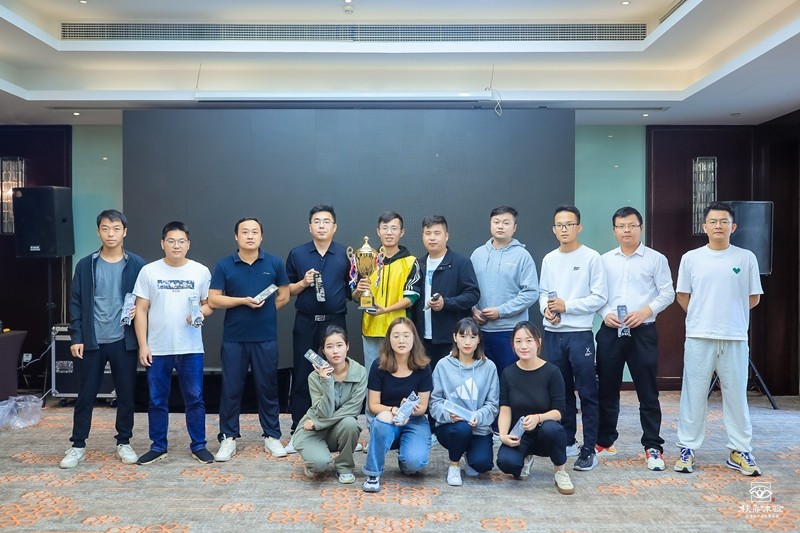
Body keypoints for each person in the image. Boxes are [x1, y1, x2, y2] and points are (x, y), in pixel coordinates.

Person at [674, 201, 764, 476]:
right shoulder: (691, 258)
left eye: (724, 221)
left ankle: (740, 450)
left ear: (733, 227)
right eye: (713, 221)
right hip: (699, 336)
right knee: (693, 394)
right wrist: (704, 315)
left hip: (734, 336)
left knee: (736, 396)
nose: (718, 226)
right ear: (704, 226)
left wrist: (728, 315)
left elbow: (753, 297)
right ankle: (687, 448)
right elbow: (683, 295)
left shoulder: (746, 258)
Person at [60, 209, 145, 469]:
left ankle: (124, 441)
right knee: (85, 395)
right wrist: (76, 336)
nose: (111, 234)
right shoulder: (86, 265)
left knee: (126, 394)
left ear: (125, 232)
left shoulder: (137, 264)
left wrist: (140, 309)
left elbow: (148, 300)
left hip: (124, 339)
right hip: (92, 340)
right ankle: (77, 445)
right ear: (98, 232)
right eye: (106, 228)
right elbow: (76, 302)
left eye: (116, 229)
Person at [596, 206, 675, 471]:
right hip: (611, 330)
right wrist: (605, 313)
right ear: (614, 231)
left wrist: (645, 312)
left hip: (643, 331)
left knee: (647, 390)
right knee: (607, 388)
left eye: (631, 225)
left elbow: (668, 293)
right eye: (621, 226)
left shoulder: (656, 259)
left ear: (641, 228)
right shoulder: (604, 260)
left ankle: (653, 446)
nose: (626, 230)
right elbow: (596, 294)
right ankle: (604, 441)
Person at [208, 217, 290, 462]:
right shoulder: (224, 265)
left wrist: (266, 312)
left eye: (255, 232)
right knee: (231, 389)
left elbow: (284, 295)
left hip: (265, 337)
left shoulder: (274, 263)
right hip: (234, 338)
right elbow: (214, 299)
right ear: (236, 236)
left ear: (261, 236)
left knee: (268, 387)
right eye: (245, 232)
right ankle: (228, 437)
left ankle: (272, 436)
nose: (250, 236)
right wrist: (242, 302)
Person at [133, 221, 214, 465]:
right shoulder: (149, 271)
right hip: (158, 347)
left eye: (181, 241)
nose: (176, 245)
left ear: (188, 244)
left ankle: (199, 445)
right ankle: (158, 446)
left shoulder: (200, 271)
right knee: (157, 399)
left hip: (191, 347)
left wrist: (200, 314)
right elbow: (141, 309)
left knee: (195, 398)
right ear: (162, 244)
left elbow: (209, 304)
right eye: (171, 241)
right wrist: (143, 345)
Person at [539, 205, 607, 471]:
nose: (564, 229)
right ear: (553, 229)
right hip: (553, 333)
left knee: (587, 392)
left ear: (579, 227)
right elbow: (543, 292)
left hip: (579, 334)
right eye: (559, 225)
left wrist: (567, 307)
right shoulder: (549, 258)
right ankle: (567, 439)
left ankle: (589, 448)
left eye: (569, 224)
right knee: (561, 391)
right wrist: (547, 310)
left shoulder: (591, 257)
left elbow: (599, 297)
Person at [285, 205, 351, 451]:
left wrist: (362, 290)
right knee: (303, 374)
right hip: (306, 322)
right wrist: (303, 282)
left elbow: (352, 290)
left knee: (338, 374)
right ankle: (298, 430)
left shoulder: (346, 254)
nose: (321, 225)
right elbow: (286, 290)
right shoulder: (297, 254)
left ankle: (340, 431)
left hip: (335, 323)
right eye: (317, 221)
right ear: (310, 226)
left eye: (326, 221)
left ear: (335, 227)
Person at [353, 211, 420, 428]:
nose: (389, 232)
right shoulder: (367, 259)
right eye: (385, 228)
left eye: (393, 228)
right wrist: (359, 289)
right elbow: (355, 295)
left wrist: (385, 310)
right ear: (378, 231)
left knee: (400, 377)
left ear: (402, 232)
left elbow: (412, 297)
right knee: (372, 379)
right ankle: (373, 426)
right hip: (371, 329)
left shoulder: (411, 262)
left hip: (400, 332)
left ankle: (404, 423)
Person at [496, 321, 574, 495]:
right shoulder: (508, 373)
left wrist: (539, 418)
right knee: (506, 463)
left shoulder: (552, 372)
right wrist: (503, 435)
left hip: (545, 433)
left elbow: (559, 411)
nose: (523, 346)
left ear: (538, 342)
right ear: (513, 344)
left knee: (552, 429)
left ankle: (560, 471)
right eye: (518, 341)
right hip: (520, 435)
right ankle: (525, 458)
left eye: (529, 340)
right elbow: (505, 409)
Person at [361, 318, 432, 493]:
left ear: (414, 338)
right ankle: (373, 473)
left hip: (414, 420)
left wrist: (411, 410)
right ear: (389, 339)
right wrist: (394, 410)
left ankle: (405, 457)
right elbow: (373, 405)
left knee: (414, 464)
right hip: (388, 418)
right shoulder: (378, 365)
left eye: (406, 335)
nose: (401, 340)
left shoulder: (423, 366)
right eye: (396, 336)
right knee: (382, 420)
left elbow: (423, 407)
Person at [292, 325, 367, 484]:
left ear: (347, 346)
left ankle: (344, 467)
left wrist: (317, 423)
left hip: (321, 425)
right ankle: (313, 463)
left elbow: (352, 409)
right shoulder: (314, 377)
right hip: (312, 432)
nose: (335, 351)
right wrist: (326, 381)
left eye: (339, 345)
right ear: (323, 351)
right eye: (329, 347)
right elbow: (324, 412)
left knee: (350, 423)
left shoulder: (360, 372)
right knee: (319, 465)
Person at [470, 206, 539, 377]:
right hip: (480, 331)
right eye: (496, 222)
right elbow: (468, 289)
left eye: (506, 223)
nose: (500, 226)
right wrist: (473, 310)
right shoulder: (477, 254)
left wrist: (500, 311)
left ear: (514, 227)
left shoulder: (522, 256)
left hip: (511, 332)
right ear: (490, 224)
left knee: (510, 378)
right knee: (483, 379)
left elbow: (531, 293)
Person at [429, 318, 498, 486]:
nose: (467, 342)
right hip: (451, 427)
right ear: (455, 337)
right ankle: (454, 465)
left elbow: (493, 404)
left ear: (479, 339)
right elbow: (434, 401)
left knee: (482, 465)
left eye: (473, 337)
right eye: (463, 336)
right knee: (461, 429)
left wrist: (478, 416)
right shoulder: (443, 365)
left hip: (478, 428)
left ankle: (468, 453)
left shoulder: (489, 367)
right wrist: (448, 415)